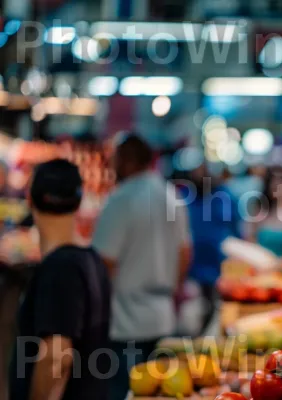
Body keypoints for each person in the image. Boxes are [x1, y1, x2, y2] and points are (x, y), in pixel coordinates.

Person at [92, 133, 191, 400]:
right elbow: (185, 252)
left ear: (125, 161)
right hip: (162, 317)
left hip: (125, 323)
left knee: (123, 392)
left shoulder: (120, 200)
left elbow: (104, 263)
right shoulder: (171, 196)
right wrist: (175, 290)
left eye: (114, 161)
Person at [10, 159, 111, 400]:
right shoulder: (91, 259)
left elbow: (56, 359)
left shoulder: (60, 268)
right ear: (78, 202)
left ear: (31, 199)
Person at [185, 164, 241, 335]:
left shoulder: (226, 197)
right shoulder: (186, 198)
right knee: (197, 314)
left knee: (217, 313)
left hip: (220, 268)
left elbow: (237, 232)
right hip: (194, 269)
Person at [250, 170, 282, 257]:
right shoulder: (259, 211)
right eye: (274, 183)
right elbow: (251, 239)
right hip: (261, 263)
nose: (277, 185)